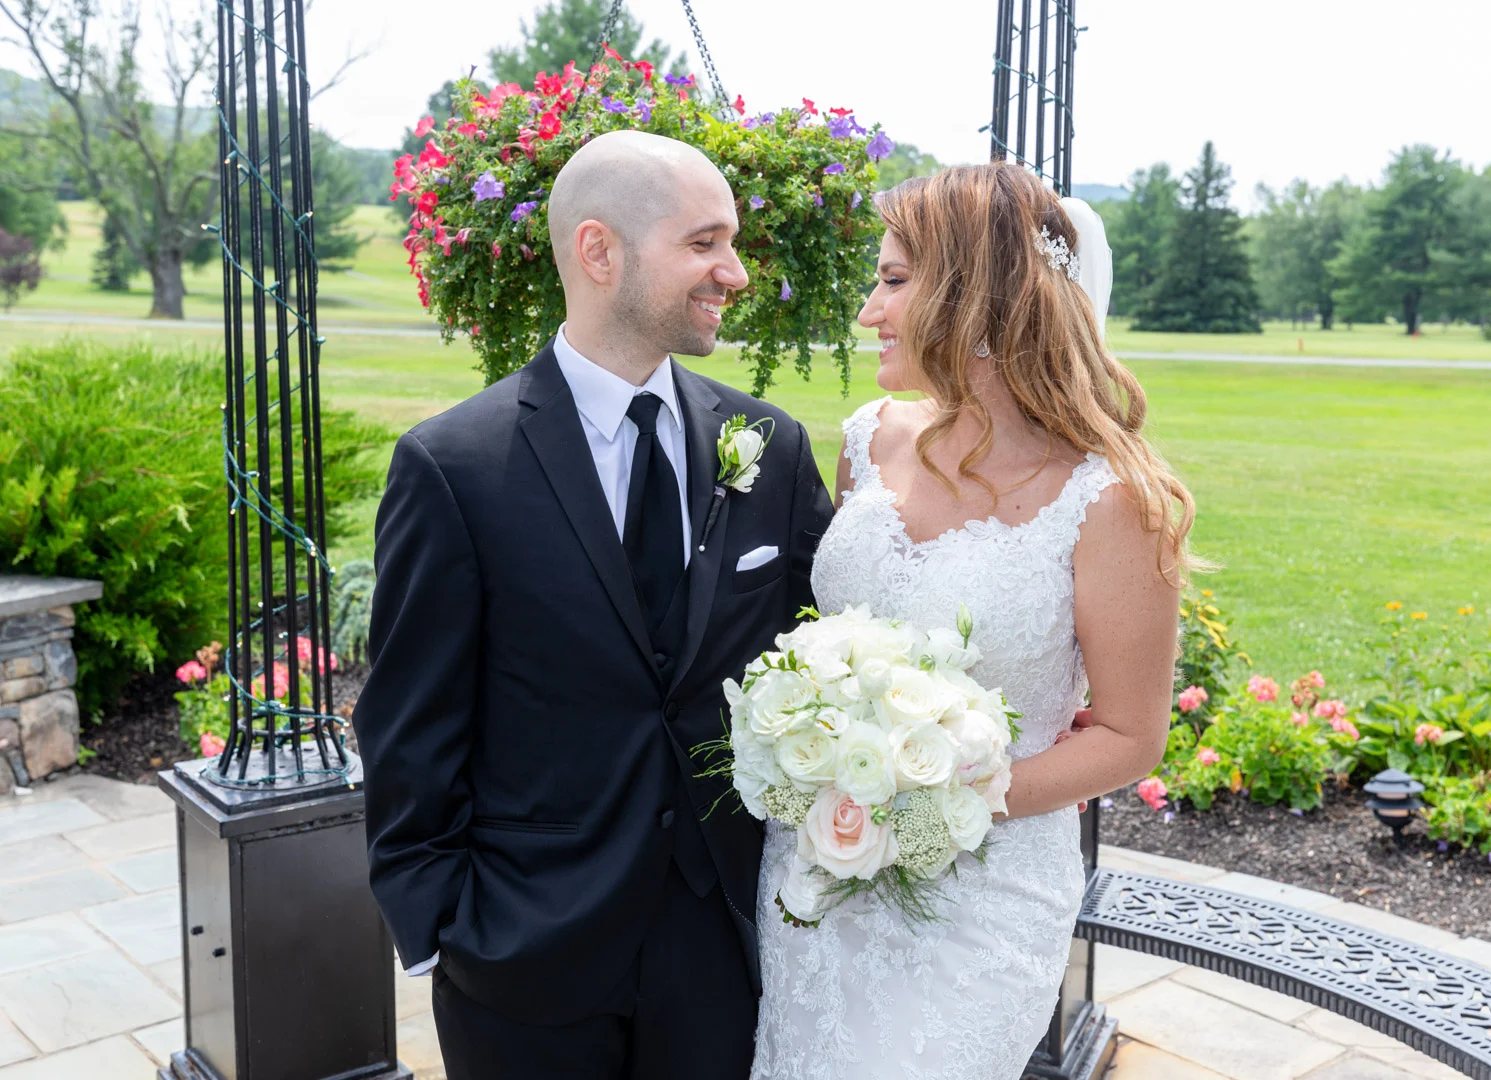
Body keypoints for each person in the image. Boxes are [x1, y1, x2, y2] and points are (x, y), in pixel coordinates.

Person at [353, 130, 833, 1080]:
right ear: (599, 250)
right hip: (522, 954)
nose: (735, 272)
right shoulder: (453, 467)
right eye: (704, 242)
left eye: (732, 243)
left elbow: (827, 651)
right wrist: (439, 925)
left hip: (721, 942)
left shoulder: (769, 446)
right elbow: (409, 724)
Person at [749, 162, 1190, 1079]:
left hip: (982, 905)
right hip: (816, 870)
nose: (869, 311)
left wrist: (935, 802)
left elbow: (1129, 737)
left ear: (977, 295)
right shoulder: (869, 440)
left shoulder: (1111, 502)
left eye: (894, 280)